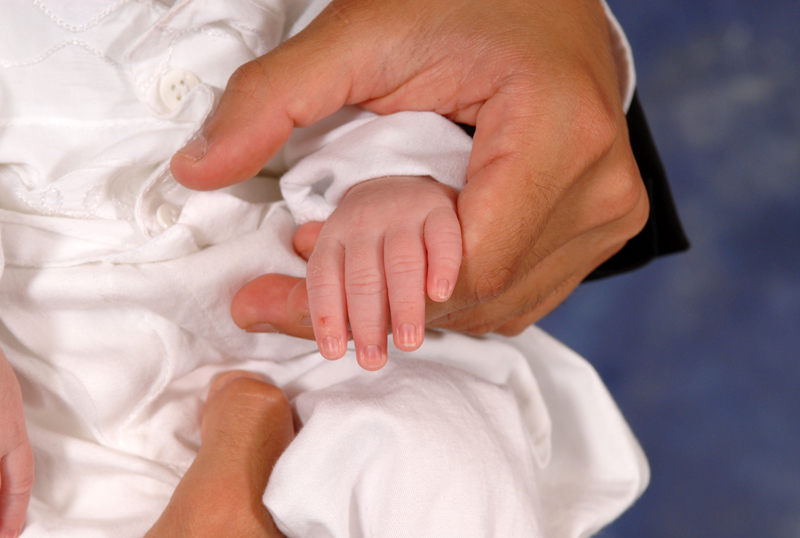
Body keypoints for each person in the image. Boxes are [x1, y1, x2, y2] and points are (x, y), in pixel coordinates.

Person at [0, 1, 650, 537]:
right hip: (44, 412)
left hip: (305, 349)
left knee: (436, 446)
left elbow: (378, 56)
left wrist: (391, 179)